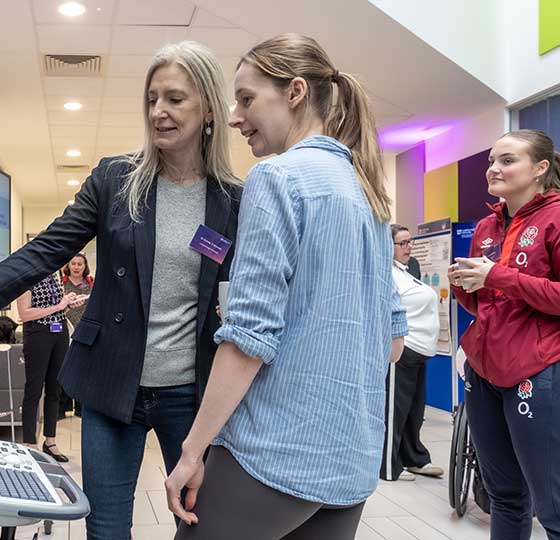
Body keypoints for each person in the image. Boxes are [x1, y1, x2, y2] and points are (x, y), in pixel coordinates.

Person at [0, 41, 243, 540]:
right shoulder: (116, 179)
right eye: (151, 98)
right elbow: (44, 251)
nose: (159, 112)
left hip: (191, 393)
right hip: (110, 384)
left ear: (208, 106)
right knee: (104, 528)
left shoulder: (233, 200)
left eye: (175, 98)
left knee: (200, 524)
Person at [163, 33, 407, 540]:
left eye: (248, 99)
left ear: (295, 92)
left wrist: (191, 451)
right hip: (348, 464)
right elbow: (393, 343)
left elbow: (249, 338)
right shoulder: (369, 193)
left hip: (274, 456)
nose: (234, 116)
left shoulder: (277, 177)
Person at [449, 129, 560, 540]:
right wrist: (465, 285)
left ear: (540, 169)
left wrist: (499, 276)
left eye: (508, 160)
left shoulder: (556, 217)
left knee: (552, 504)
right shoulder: (486, 227)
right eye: (492, 161)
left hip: (536, 370)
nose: (494, 168)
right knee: (504, 496)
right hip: (483, 372)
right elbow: (486, 306)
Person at [381, 224, 442, 482]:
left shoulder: (410, 269)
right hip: (402, 350)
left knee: (414, 410)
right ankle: (387, 466)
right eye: (402, 243)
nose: (408, 247)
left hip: (420, 351)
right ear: (389, 245)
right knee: (394, 410)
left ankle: (414, 458)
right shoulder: (385, 271)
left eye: (410, 242)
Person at [14, 273, 78, 462]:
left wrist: (66, 306)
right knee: (33, 390)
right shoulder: (27, 278)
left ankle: (50, 441)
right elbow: (24, 314)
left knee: (54, 390)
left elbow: (55, 310)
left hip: (59, 331)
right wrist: (58, 306)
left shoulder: (54, 276)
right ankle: (29, 443)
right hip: (38, 334)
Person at [59, 252, 94, 418]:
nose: (77, 267)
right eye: (73, 263)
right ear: (68, 266)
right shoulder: (61, 283)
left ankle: (81, 409)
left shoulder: (90, 283)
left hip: (85, 330)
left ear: (85, 266)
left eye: (80, 264)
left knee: (83, 370)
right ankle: (62, 408)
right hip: (65, 329)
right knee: (64, 368)